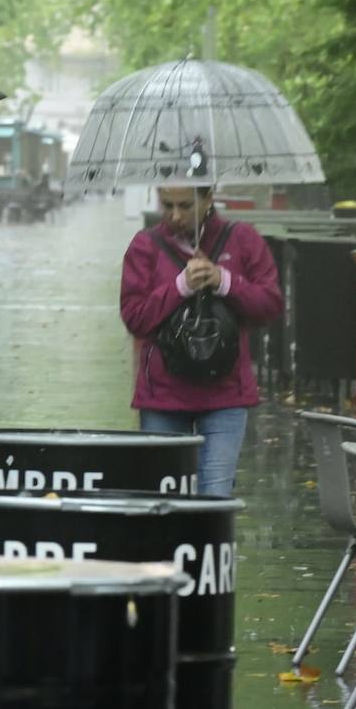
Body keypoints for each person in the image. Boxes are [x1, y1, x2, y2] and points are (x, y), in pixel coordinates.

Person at [119, 186, 283, 496]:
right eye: (167, 205)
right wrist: (180, 286)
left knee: (215, 499)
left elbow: (270, 306)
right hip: (163, 397)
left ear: (208, 199)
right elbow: (134, 318)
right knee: (163, 500)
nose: (175, 215)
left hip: (225, 395)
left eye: (185, 205)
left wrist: (225, 282)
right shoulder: (145, 246)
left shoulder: (243, 240)